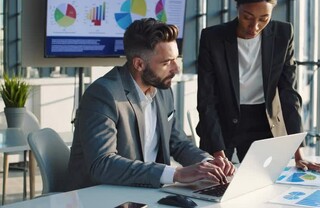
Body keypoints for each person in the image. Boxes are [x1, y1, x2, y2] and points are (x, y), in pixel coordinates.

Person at [68, 18, 234, 190]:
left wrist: (208, 163)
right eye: (166, 62)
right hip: (102, 197)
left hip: (145, 193)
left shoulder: (162, 89)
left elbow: (177, 142)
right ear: (139, 64)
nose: (176, 69)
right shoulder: (103, 94)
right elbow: (102, 164)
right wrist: (176, 174)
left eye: (176, 59)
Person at [196, 0, 320, 173]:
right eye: (247, 17)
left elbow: (289, 93)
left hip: (264, 122)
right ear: (238, 6)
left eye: (264, 18)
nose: (255, 27)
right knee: (215, 187)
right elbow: (207, 99)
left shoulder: (283, 34)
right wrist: (217, 152)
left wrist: (298, 152)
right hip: (221, 121)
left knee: (261, 186)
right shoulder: (213, 38)